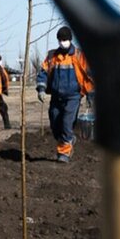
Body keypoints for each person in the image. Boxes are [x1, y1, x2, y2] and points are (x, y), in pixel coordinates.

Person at [36, 26, 94, 162]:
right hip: (56, 97)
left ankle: (64, 153)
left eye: (65, 39)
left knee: (67, 123)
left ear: (70, 40)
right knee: (55, 124)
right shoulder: (52, 56)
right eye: (60, 40)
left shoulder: (79, 56)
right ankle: (68, 139)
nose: (62, 42)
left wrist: (91, 94)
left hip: (73, 96)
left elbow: (89, 76)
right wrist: (41, 89)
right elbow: (43, 73)